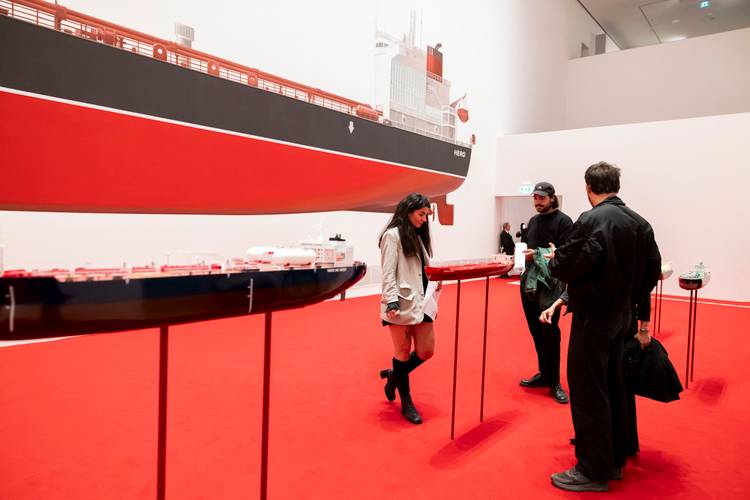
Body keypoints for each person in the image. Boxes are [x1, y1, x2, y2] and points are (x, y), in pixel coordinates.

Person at [546, 162, 661, 492]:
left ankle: (593, 469)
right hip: (622, 317)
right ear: (616, 186)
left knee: (588, 390)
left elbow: (567, 266)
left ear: (588, 187)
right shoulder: (640, 223)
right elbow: (652, 271)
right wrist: (637, 311)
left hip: (593, 317)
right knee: (614, 386)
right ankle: (614, 458)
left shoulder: (591, 220)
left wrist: (555, 259)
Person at [378, 193, 440, 425]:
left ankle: (394, 376)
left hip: (423, 302)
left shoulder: (418, 234)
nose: (424, 219)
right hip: (400, 303)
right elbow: (388, 272)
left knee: (426, 351)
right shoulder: (392, 235)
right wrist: (391, 301)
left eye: (426, 215)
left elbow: (422, 269)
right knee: (402, 353)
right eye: (421, 214)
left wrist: (434, 281)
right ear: (408, 211)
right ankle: (406, 402)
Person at [518, 182, 572, 404]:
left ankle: (555, 381)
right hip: (530, 283)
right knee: (536, 331)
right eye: (535, 198)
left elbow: (567, 253)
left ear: (552, 198)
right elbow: (526, 249)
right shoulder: (533, 221)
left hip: (551, 285)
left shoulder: (564, 222)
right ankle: (544, 374)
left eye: (541, 198)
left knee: (550, 333)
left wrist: (541, 253)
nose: (537, 201)